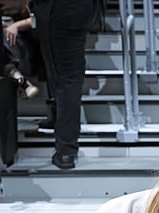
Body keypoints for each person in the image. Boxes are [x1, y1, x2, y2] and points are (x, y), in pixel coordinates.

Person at [31, 0, 97, 169]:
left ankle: (66, 149)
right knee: (59, 71)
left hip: (60, 9)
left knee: (66, 78)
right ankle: (58, 119)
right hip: (78, 9)